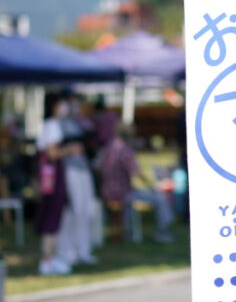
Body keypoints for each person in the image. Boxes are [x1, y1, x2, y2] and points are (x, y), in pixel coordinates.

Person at [95, 123, 174, 243]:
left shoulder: (107, 147)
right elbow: (136, 172)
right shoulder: (124, 150)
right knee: (160, 198)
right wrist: (152, 186)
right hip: (123, 192)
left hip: (106, 190)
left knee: (131, 200)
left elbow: (98, 167)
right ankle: (163, 232)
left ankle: (128, 231)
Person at [52, 93, 99, 265]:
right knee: (72, 211)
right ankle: (69, 250)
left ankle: (83, 249)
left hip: (83, 169)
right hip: (69, 170)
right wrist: (70, 149)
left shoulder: (80, 122)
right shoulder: (57, 124)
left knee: (85, 210)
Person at [35, 95, 76, 276]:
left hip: (47, 177)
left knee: (51, 216)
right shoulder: (52, 125)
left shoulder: (48, 125)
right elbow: (52, 153)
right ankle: (48, 260)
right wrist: (70, 149)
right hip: (53, 177)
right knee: (52, 217)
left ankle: (50, 257)